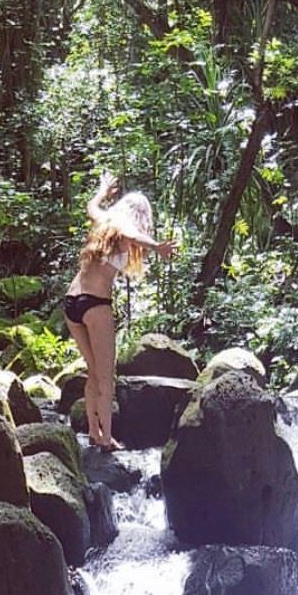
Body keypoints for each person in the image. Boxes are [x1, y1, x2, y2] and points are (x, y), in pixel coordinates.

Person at [63, 171, 174, 450]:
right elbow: (131, 234)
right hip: (94, 304)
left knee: (93, 371)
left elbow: (91, 207)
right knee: (105, 377)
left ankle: (93, 431)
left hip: (72, 302)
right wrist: (156, 246)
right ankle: (106, 438)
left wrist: (102, 192)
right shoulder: (123, 229)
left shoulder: (104, 222)